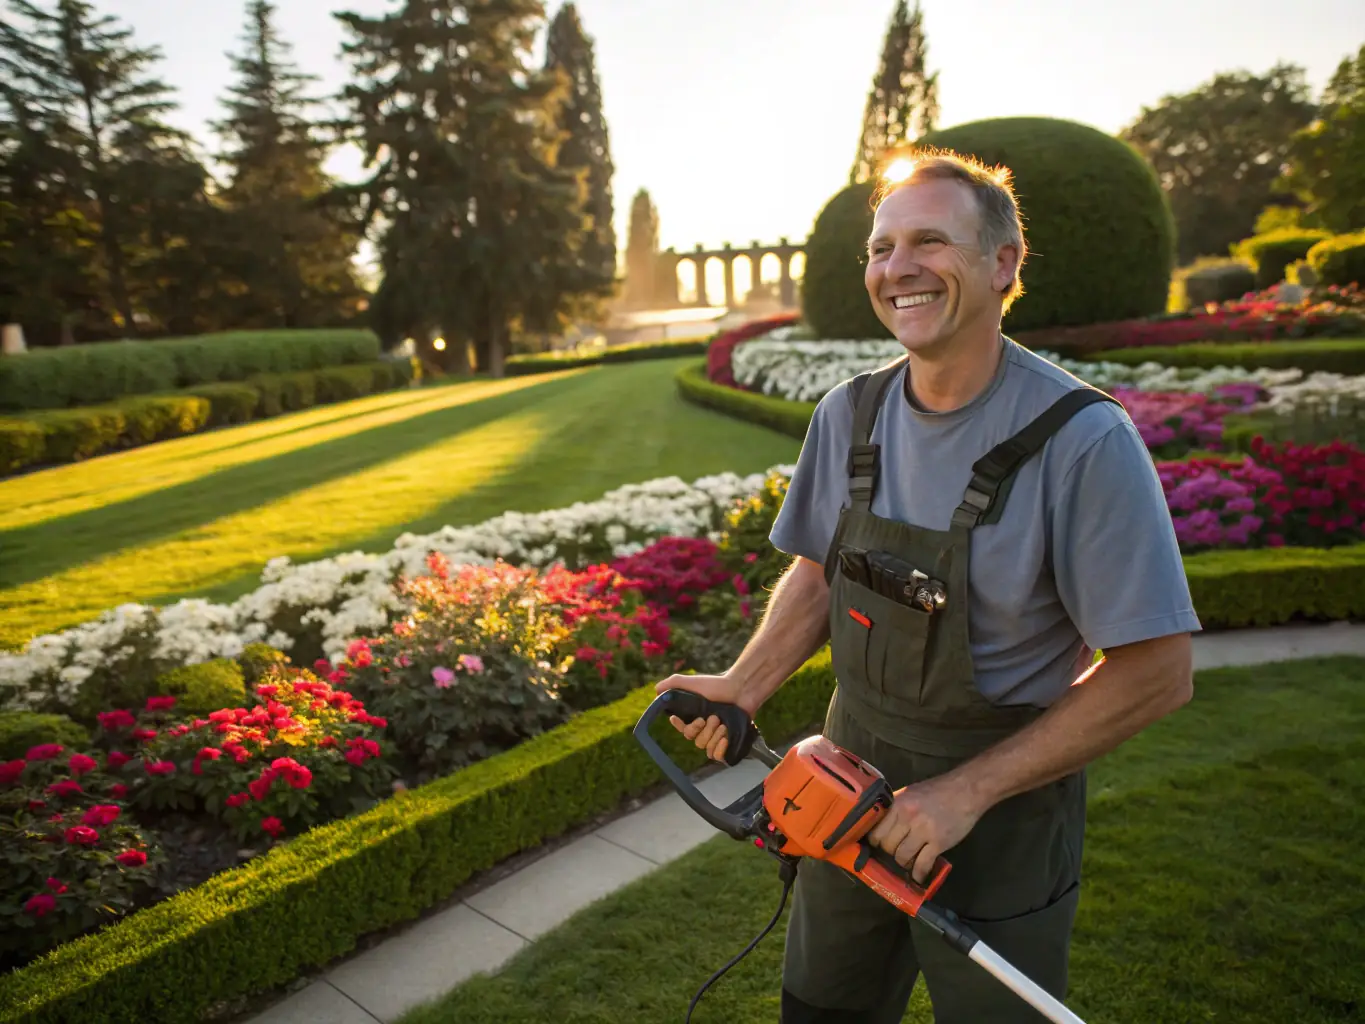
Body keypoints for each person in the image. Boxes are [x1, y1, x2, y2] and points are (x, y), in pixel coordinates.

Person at [655, 148, 1200, 1023]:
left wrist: (965, 793)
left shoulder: (1081, 441)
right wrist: (742, 685)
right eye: (880, 248)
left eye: (929, 242)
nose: (896, 268)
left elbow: (1157, 671)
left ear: (1002, 264)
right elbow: (818, 569)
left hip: (1000, 813)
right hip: (845, 781)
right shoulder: (850, 413)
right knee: (820, 1011)